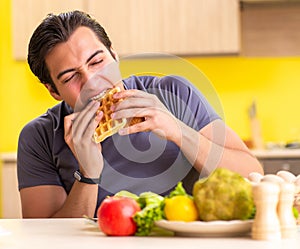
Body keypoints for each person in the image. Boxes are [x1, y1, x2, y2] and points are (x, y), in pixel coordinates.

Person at [17, 10, 263, 218]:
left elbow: (252, 173)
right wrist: (89, 175)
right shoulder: (39, 137)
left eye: (97, 61)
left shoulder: (174, 94)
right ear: (53, 90)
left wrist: (179, 132)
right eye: (71, 77)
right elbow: (45, 237)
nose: (92, 81)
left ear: (114, 55)